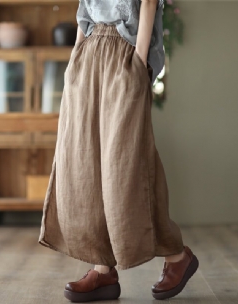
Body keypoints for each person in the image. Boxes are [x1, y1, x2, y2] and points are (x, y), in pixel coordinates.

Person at [38, 0, 199, 301]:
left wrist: (138, 62)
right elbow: (85, 10)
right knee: (87, 161)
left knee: (127, 165)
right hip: (88, 56)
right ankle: (103, 270)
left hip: (125, 54)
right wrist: (76, 56)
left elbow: (149, 3)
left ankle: (177, 256)